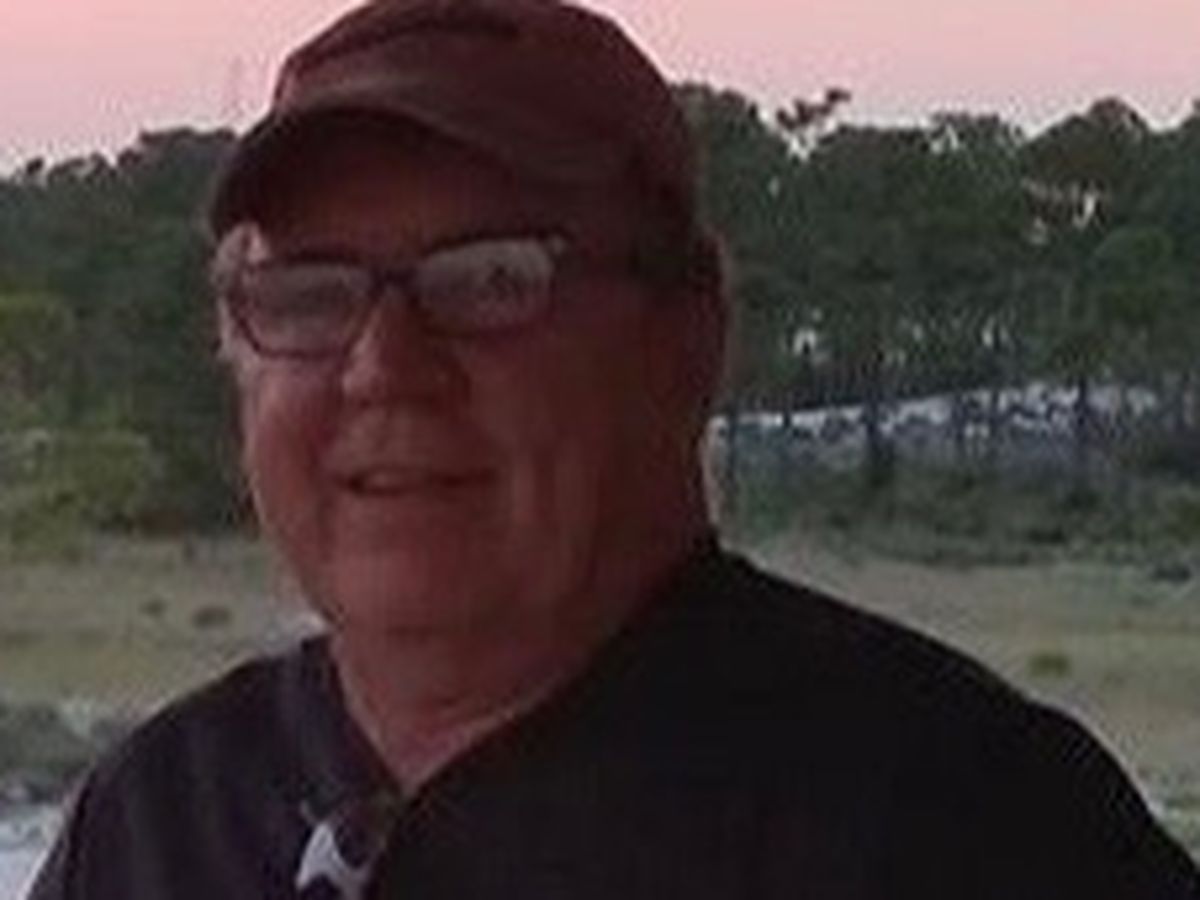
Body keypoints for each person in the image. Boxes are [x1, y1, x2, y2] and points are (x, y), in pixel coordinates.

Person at [29, 0, 1200, 897]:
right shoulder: (155, 828)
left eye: (492, 281)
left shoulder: (967, 832)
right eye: (307, 293)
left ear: (689, 340)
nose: (383, 364)